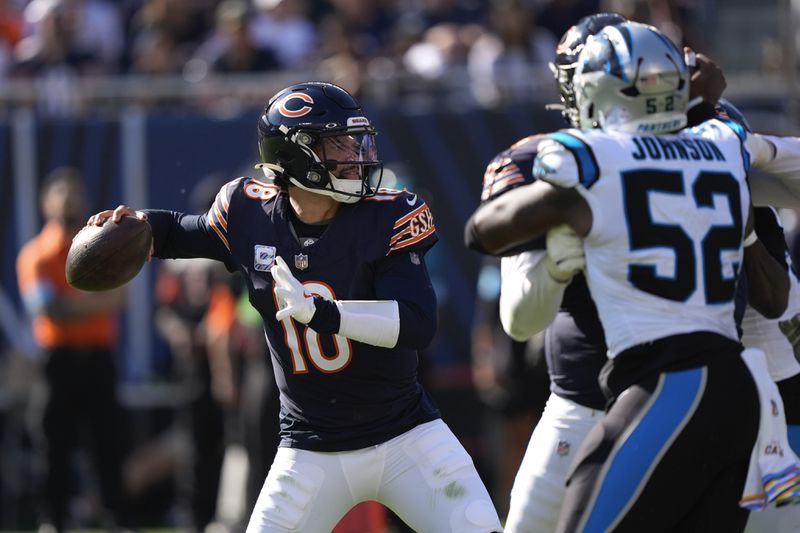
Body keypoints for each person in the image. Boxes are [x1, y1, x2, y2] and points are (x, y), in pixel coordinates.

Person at [85, 81, 503, 533]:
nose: (356, 155)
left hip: (406, 437)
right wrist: (137, 226)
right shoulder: (246, 213)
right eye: (338, 144)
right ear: (295, 156)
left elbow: (418, 322)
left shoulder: (387, 214)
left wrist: (325, 313)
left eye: (357, 141)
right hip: (309, 448)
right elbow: (181, 232)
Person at [466, 21, 800, 531]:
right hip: (614, 399)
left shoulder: (582, 156)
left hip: (664, 384)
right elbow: (519, 319)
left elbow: (481, 233)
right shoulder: (719, 139)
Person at [16, 167, 131, 532]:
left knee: (109, 443)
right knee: (54, 446)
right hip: (59, 359)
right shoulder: (36, 254)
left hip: (98, 357)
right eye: (60, 192)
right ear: (45, 202)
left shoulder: (101, 244)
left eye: (75, 191)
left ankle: (116, 517)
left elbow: (119, 298)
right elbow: (49, 310)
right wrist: (94, 299)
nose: (69, 199)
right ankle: (54, 520)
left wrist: (75, 302)